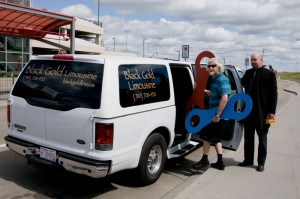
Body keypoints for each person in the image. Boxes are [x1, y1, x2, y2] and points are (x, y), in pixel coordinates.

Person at [239, 52, 278, 172]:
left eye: (254, 59)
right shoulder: (249, 73)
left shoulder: (269, 74)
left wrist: (272, 112)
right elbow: (240, 83)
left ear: (261, 59)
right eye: (251, 60)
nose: (252, 62)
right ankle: (248, 160)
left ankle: (261, 163)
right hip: (249, 113)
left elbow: (274, 95)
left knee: (263, 138)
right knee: (248, 138)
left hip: (264, 113)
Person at [192, 58, 231, 171]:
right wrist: (203, 90)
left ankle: (205, 160)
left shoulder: (222, 80)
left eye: (212, 66)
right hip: (214, 114)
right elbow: (214, 94)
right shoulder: (215, 78)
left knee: (206, 137)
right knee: (216, 139)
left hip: (218, 116)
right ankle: (220, 162)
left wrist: (217, 115)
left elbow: (224, 98)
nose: (209, 68)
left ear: (218, 67)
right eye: (208, 66)